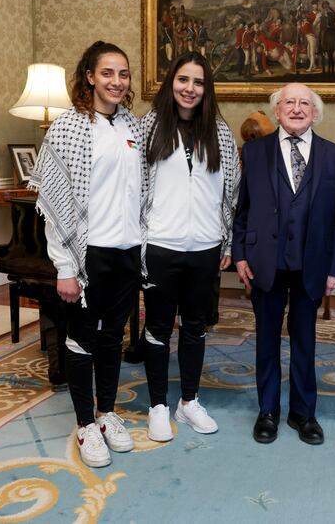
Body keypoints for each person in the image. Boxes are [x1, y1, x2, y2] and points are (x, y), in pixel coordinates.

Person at [29, 41, 146, 469]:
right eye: (107, 73)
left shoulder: (133, 127)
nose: (117, 82)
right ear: (90, 77)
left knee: (113, 336)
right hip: (87, 254)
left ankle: (106, 414)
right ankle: (84, 425)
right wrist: (65, 267)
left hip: (127, 251)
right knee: (81, 338)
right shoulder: (69, 127)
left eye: (124, 74)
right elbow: (56, 203)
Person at [232, 82, 335, 446]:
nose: (297, 109)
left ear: (315, 113)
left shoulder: (334, 156)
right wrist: (240, 254)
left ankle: (304, 413)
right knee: (266, 340)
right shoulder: (254, 152)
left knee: (304, 342)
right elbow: (242, 210)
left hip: (311, 264)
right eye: (289, 103)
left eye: (304, 104)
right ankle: (267, 411)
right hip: (264, 263)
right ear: (277, 111)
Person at [139, 52, 240, 442]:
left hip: (205, 247)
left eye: (198, 82)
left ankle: (189, 401)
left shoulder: (220, 132)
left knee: (195, 327)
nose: (190, 88)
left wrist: (226, 241)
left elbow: (230, 192)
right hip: (160, 245)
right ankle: (158, 405)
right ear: (171, 82)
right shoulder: (149, 127)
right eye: (183, 80)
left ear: (206, 88)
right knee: (158, 328)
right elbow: (134, 187)